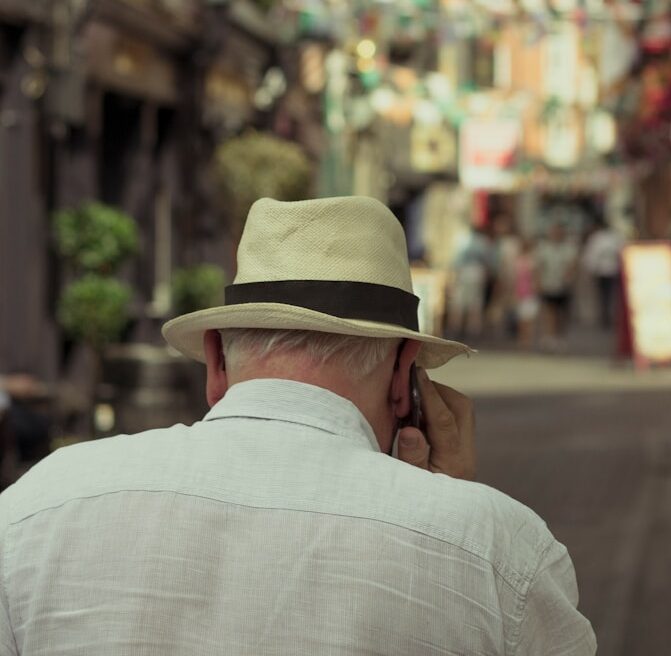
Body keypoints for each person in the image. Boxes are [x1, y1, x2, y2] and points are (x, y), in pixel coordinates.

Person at [0, 197, 596, 655]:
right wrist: (451, 505)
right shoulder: (501, 554)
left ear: (215, 360)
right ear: (404, 378)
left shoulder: (34, 510)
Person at [535, 223, 578, 350]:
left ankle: (560, 336)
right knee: (549, 311)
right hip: (548, 283)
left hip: (563, 285)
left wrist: (568, 276)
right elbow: (539, 266)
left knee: (561, 313)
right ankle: (549, 336)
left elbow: (573, 264)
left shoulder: (568, 248)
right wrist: (538, 282)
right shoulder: (544, 248)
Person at [582, 219, 624, 331]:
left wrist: (591, 268)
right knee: (607, 294)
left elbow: (592, 255)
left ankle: (606, 315)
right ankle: (606, 315)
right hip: (607, 270)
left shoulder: (599, 238)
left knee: (605, 295)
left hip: (605, 270)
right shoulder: (612, 237)